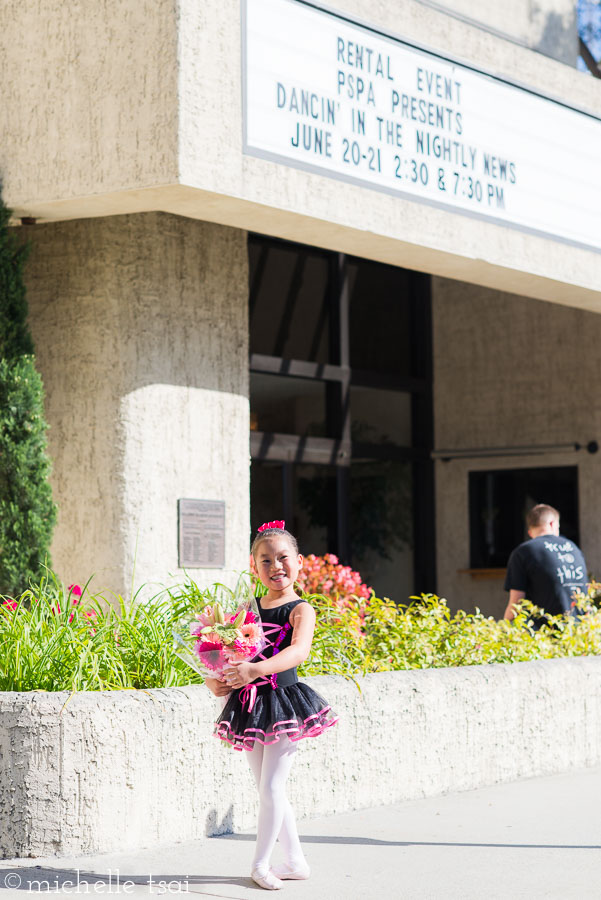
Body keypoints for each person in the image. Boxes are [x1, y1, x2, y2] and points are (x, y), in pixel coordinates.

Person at [205, 521, 338, 891]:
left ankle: (261, 864)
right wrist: (216, 678)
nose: (275, 566)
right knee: (267, 788)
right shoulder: (248, 608)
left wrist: (256, 669)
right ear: (254, 565)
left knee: (272, 789)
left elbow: (299, 651)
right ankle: (294, 861)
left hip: (283, 702)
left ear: (298, 563)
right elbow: (225, 652)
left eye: (283, 558)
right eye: (266, 560)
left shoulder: (301, 609)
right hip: (250, 702)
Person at [503, 503, 588, 623]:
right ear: (552, 524)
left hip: (544, 634)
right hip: (578, 632)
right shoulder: (574, 548)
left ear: (530, 532)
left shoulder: (523, 552)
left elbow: (516, 604)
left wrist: (502, 631)